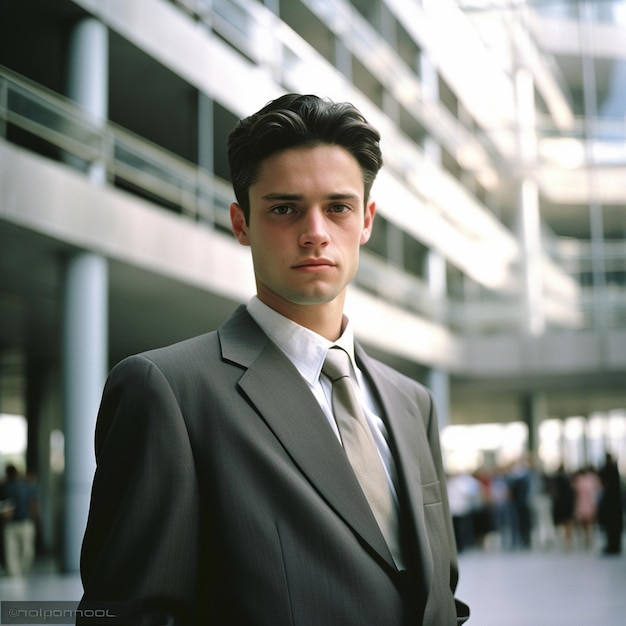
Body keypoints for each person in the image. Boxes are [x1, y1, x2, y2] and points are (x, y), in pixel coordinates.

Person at [79, 94, 469, 625]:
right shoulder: (168, 392)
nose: (315, 231)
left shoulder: (411, 402)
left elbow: (440, 595)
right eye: (284, 208)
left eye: (338, 207)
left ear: (366, 221)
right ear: (241, 224)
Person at [1, 464, 39, 576]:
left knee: (23, 551)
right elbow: (33, 504)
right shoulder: (6, 488)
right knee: (15, 552)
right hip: (15, 523)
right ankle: (15, 574)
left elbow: (33, 504)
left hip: (22, 522)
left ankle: (18, 572)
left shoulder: (22, 487)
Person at [598, 452, 623, 555]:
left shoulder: (608, 471)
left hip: (611, 507)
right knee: (614, 528)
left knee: (611, 528)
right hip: (615, 506)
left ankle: (613, 546)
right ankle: (615, 546)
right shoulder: (614, 471)